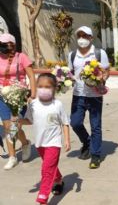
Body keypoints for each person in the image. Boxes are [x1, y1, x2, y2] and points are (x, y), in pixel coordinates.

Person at [18, 73, 71, 205]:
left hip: (54, 143)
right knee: (50, 166)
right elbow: (29, 120)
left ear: (54, 88)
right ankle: (58, 180)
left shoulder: (57, 105)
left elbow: (65, 123)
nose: (43, 89)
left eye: (47, 86)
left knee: (46, 170)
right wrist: (18, 121)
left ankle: (43, 198)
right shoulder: (33, 104)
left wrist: (67, 140)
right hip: (40, 143)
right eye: (40, 86)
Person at [68, 26, 109, 169]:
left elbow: (106, 71)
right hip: (78, 94)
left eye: (85, 36)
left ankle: (95, 155)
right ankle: (86, 141)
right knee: (75, 122)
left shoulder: (99, 53)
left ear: (91, 38)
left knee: (95, 126)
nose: (82, 39)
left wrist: (100, 80)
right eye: (79, 35)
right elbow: (71, 72)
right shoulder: (72, 55)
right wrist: (65, 79)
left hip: (95, 95)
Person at [0, 32, 36, 170]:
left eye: (4, 43)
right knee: (8, 127)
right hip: (2, 96)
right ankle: (12, 157)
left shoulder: (21, 57)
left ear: (12, 44)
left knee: (16, 126)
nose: (2, 46)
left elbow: (31, 76)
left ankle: (25, 143)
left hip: (18, 96)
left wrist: (32, 95)